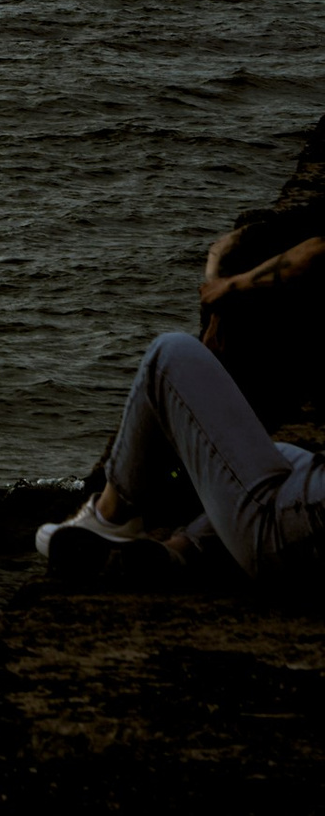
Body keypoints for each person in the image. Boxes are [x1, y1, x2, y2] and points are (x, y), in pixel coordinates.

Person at [36, 212, 325, 585]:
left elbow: (318, 252)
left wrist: (227, 286)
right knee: (283, 456)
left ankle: (110, 517)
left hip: (299, 534)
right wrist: (218, 274)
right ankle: (179, 552)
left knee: (169, 353)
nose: (210, 339)